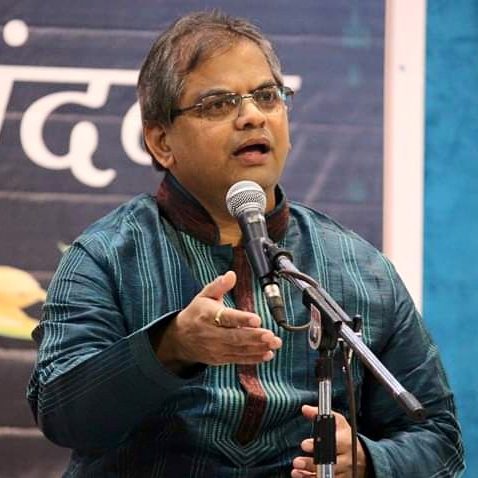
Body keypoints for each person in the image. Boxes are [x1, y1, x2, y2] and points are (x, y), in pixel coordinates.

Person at [27, 10, 464, 478]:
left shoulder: (359, 269)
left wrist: (368, 461)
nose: (253, 116)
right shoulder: (105, 257)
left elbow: (440, 440)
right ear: (160, 142)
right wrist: (170, 346)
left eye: (268, 96)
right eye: (218, 103)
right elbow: (61, 413)